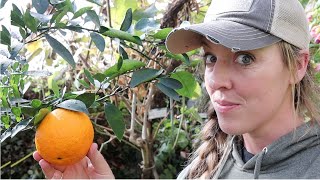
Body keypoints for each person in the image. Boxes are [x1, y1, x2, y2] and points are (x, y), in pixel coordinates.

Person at [34, 0, 320, 178]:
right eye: (210, 57)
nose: (217, 80)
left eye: (245, 57)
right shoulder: (203, 171)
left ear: (298, 66)